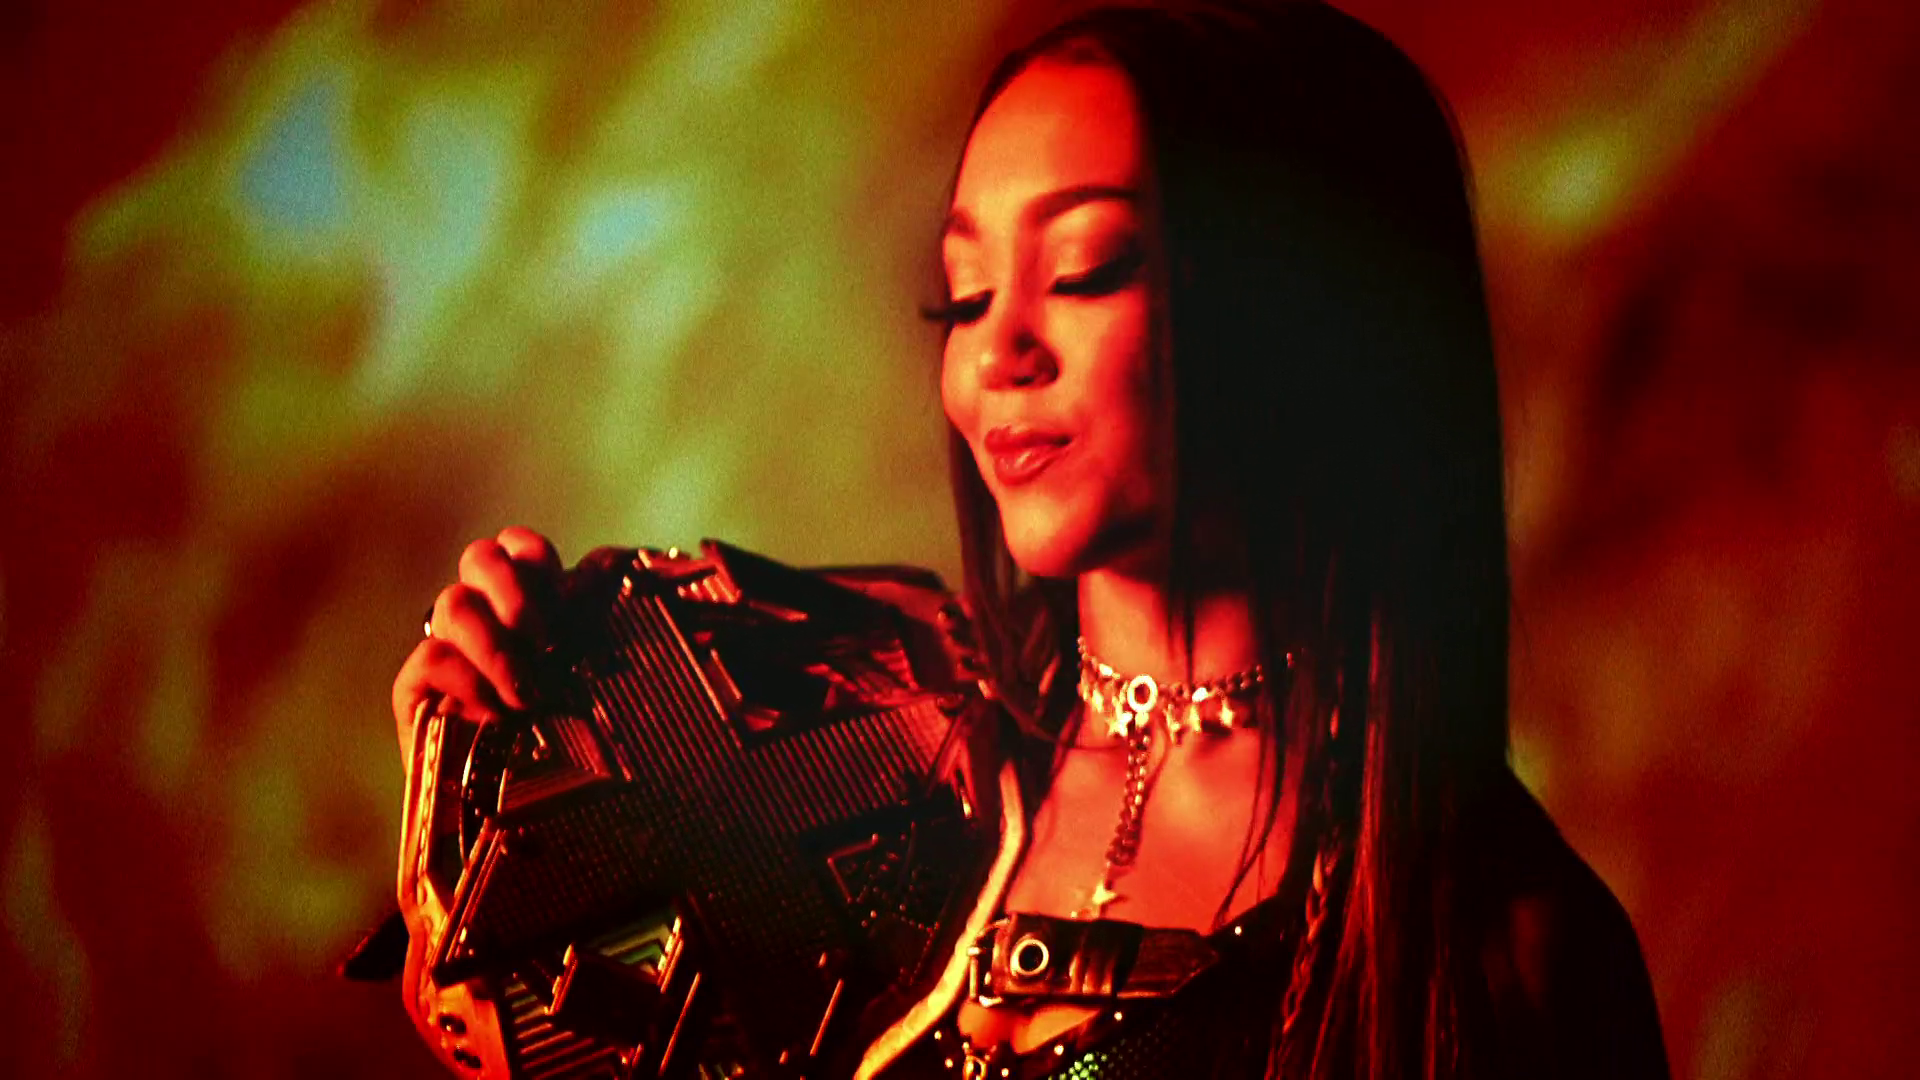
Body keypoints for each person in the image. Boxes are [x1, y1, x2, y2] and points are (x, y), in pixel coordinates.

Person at [390, 3, 1669, 1077]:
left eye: (1087, 269)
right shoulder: (848, 760)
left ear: (1308, 316)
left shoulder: (1500, 951)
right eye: (965, 294)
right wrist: (481, 819)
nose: (999, 352)